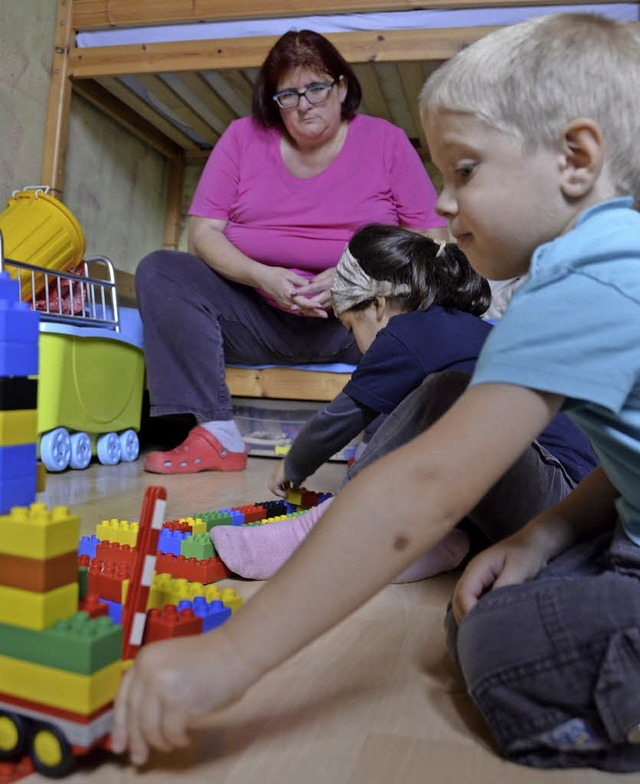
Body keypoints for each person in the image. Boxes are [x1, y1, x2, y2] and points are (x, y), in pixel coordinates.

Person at [112, 12, 640, 772]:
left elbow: (422, 485)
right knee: (481, 605)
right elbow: (623, 464)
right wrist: (543, 535)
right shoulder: (604, 265)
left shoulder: (579, 284)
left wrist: (227, 658)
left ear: (576, 158)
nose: (445, 205)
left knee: (492, 645)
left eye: (464, 170)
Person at [136, 29, 448, 475]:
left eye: (316, 88)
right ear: (274, 101)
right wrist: (261, 276)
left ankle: (379, 446)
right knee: (161, 270)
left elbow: (432, 240)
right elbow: (203, 233)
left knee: (428, 298)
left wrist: (353, 277)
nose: (304, 104)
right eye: (288, 94)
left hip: (356, 320)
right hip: (257, 316)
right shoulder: (242, 138)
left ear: (341, 87)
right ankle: (217, 434)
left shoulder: (387, 141)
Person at [211, 224, 596, 581]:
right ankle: (433, 544)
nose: (359, 345)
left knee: (446, 392)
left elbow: (341, 416)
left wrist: (294, 464)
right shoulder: (457, 327)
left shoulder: (409, 331)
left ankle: (333, 528)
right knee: (440, 416)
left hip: (559, 500)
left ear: (377, 306)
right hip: (558, 509)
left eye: (351, 327)